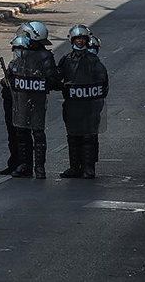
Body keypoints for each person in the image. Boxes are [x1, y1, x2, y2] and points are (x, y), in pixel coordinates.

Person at [6, 21, 60, 179]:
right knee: (21, 132)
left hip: (37, 100)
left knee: (38, 133)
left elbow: (53, 80)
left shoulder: (45, 57)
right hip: (21, 99)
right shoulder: (22, 53)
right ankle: (25, 165)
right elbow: (12, 72)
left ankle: (40, 167)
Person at [55, 25, 109, 179]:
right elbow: (57, 80)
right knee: (73, 136)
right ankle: (74, 167)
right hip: (72, 105)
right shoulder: (66, 60)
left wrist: (95, 97)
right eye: (77, 38)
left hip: (89, 105)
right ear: (72, 40)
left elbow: (103, 81)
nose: (80, 41)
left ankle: (88, 168)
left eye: (82, 38)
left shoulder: (93, 60)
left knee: (88, 137)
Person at [0, 36, 27, 175]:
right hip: (10, 102)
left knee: (22, 135)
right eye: (16, 49)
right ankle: (13, 163)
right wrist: (5, 81)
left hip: (23, 102)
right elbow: (7, 77)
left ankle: (24, 163)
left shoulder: (29, 64)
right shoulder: (13, 64)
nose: (18, 52)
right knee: (12, 135)